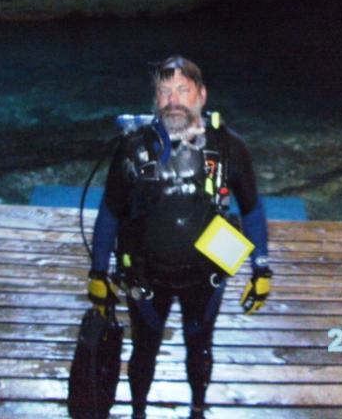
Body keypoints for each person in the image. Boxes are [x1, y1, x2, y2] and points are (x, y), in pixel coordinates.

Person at [87, 55, 271, 419]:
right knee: (144, 348)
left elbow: (251, 208)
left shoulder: (229, 146)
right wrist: (98, 274)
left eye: (182, 90)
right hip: (146, 274)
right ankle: (138, 411)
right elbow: (109, 211)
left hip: (207, 274)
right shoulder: (131, 148)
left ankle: (198, 409)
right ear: (155, 100)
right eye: (164, 91)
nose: (173, 99)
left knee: (200, 345)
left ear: (201, 95)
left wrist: (261, 269)